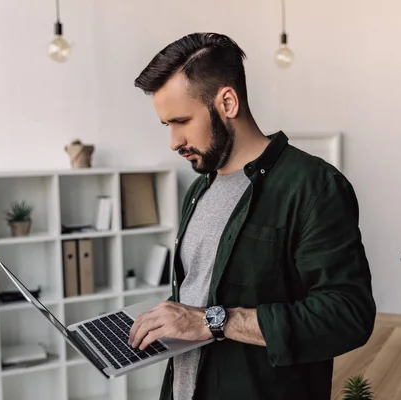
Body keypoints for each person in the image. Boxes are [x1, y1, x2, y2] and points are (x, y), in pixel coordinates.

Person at [128, 32, 376, 400]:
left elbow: (346, 316)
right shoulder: (198, 191)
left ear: (227, 101)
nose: (174, 141)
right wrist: (165, 320)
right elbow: (202, 292)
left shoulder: (313, 187)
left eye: (181, 120)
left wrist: (215, 322)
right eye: (168, 125)